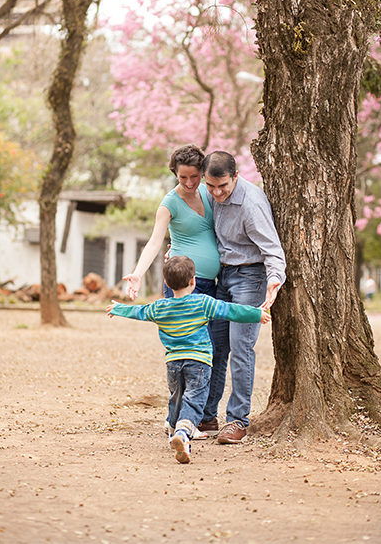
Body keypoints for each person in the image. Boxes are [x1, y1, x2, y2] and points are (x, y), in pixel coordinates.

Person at [107, 257, 270, 463]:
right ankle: (183, 433)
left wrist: (118, 309)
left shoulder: (160, 307)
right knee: (194, 399)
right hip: (199, 363)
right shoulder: (203, 303)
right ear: (193, 281)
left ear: (166, 283)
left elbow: (139, 311)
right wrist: (256, 313)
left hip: (173, 363)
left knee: (176, 396)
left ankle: (174, 427)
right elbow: (230, 310)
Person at [201, 150, 286, 444]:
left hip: (250, 277)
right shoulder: (209, 194)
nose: (217, 192)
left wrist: (274, 281)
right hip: (222, 277)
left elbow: (272, 249)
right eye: (211, 186)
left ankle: (238, 420)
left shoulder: (251, 203)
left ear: (236, 176)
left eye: (223, 186)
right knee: (215, 348)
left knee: (241, 348)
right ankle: (207, 415)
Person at [123, 144, 221, 300]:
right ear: (175, 173)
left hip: (211, 284)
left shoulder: (208, 192)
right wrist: (138, 274)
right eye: (183, 177)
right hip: (182, 283)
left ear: (202, 172)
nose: (189, 182)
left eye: (194, 176)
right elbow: (154, 242)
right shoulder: (169, 204)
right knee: (183, 325)